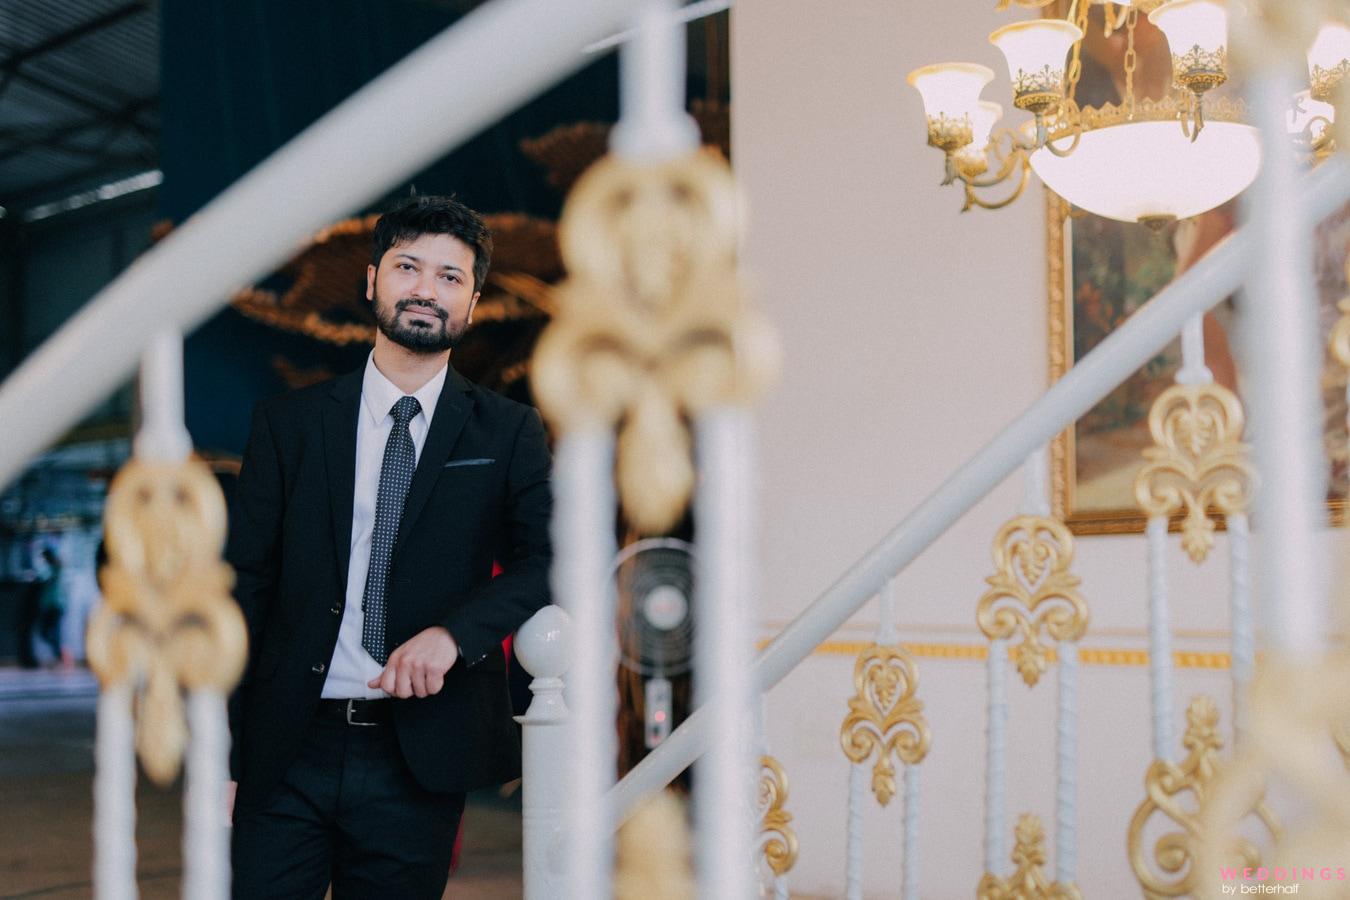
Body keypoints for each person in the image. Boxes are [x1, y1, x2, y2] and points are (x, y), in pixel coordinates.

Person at [226, 195, 553, 899]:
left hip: (420, 750)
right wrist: (230, 753)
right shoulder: (290, 425)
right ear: (373, 280)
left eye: (450, 276)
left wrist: (454, 635)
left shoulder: (508, 431)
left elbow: (548, 560)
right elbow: (243, 585)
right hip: (288, 745)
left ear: (471, 301)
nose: (426, 290)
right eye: (408, 267)